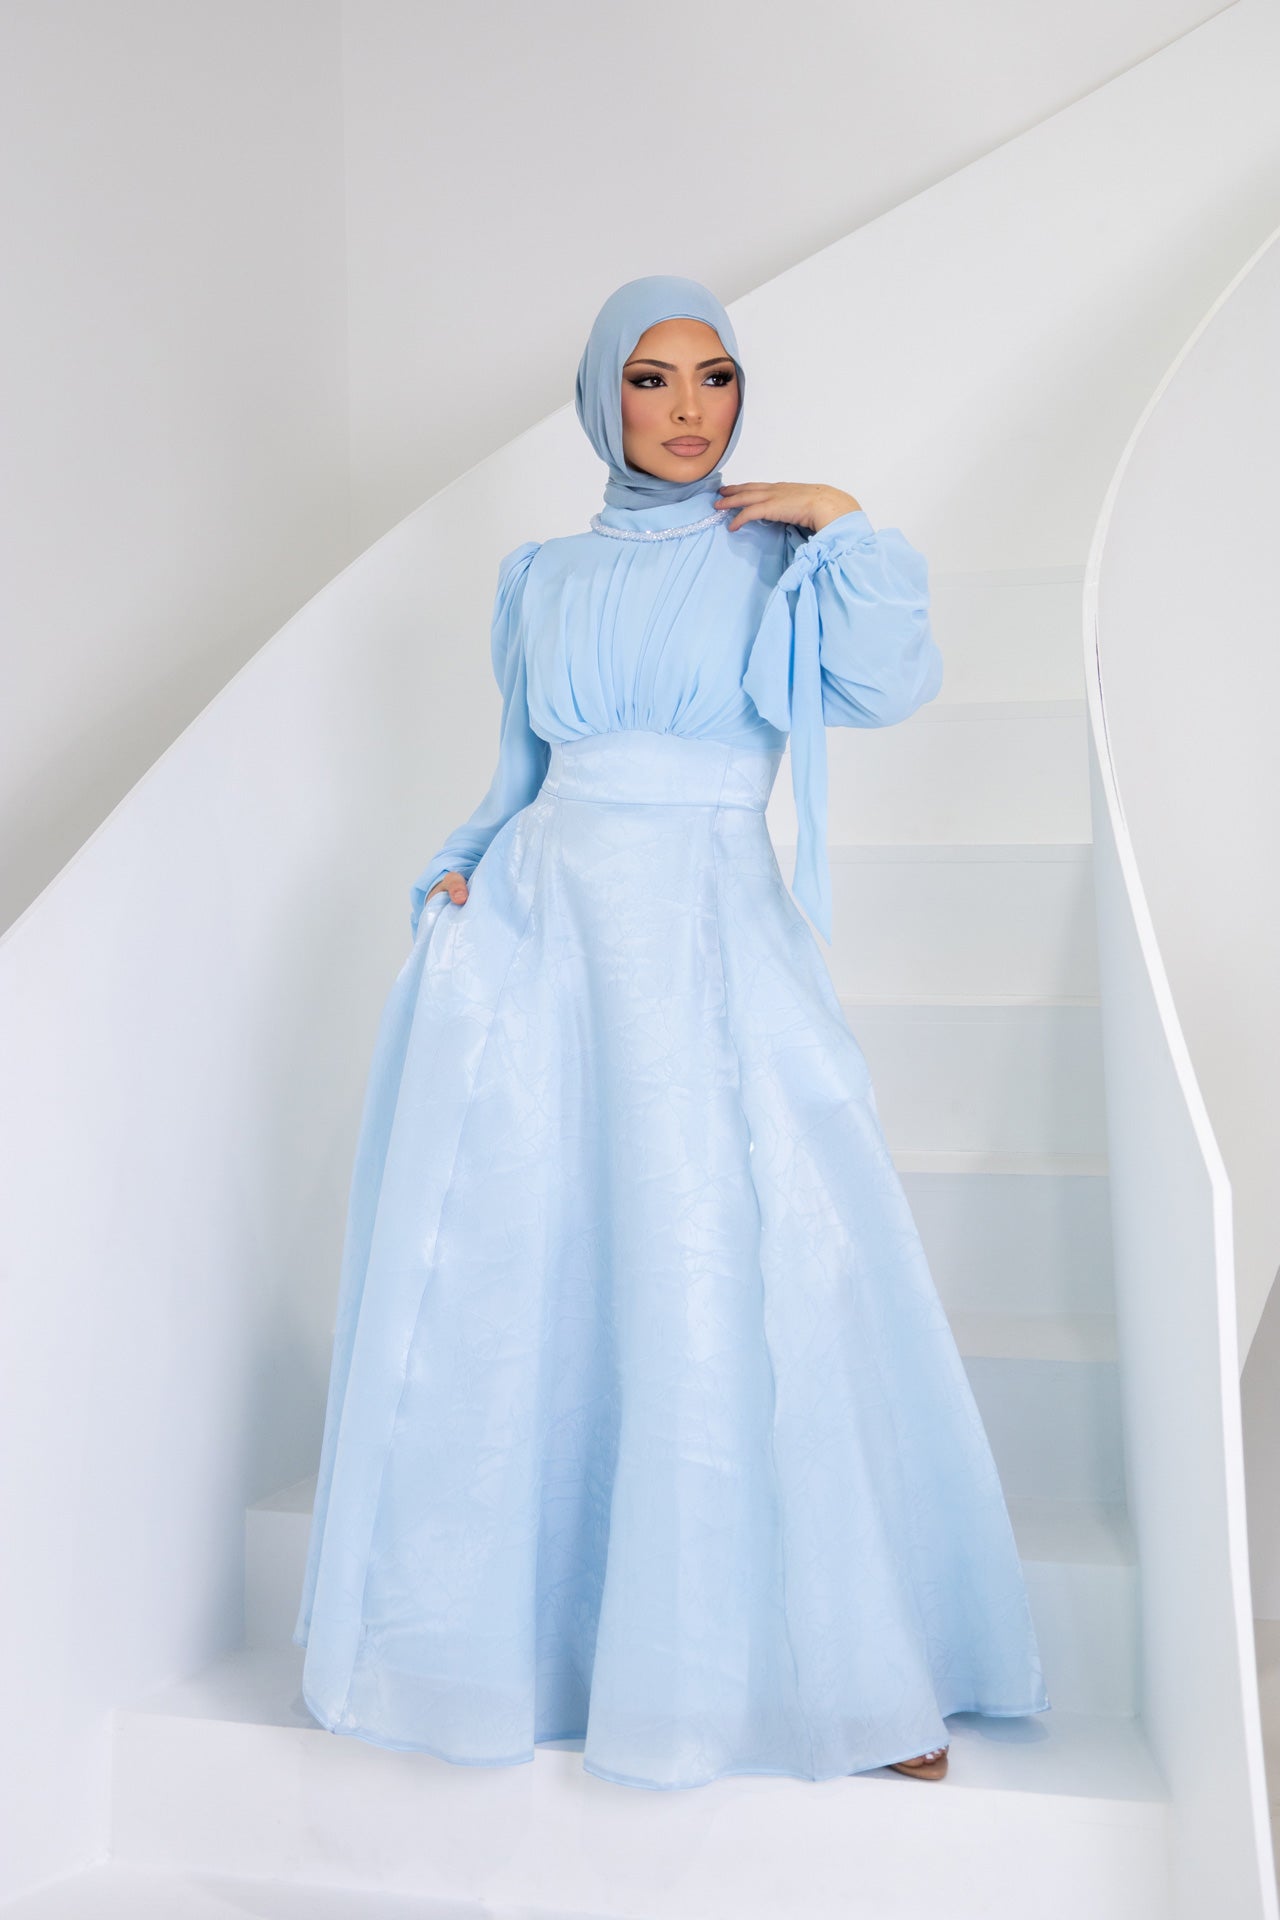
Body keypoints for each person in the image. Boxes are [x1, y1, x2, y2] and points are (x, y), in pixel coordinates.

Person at [293, 274, 1050, 1791]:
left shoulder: (783, 557)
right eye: (651, 378)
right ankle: (543, 1653)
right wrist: (460, 866)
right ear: (604, 400)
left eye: (716, 377)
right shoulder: (537, 576)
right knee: (535, 1272)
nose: (690, 408)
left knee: (753, 1255)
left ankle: (849, 1673)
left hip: (708, 929)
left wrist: (846, 523)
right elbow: (519, 773)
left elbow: (890, 685)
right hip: (548, 935)